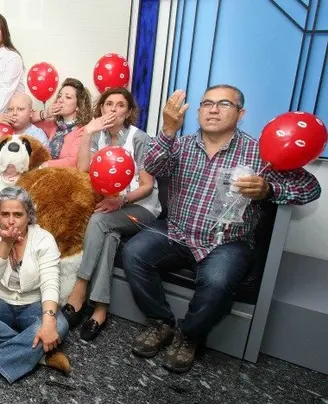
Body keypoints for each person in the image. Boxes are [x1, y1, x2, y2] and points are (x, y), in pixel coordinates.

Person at [123, 85, 321, 373]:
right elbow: (151, 165)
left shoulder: (259, 153)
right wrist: (167, 131)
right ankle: (160, 322)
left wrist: (269, 188)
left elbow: (310, 188)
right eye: (206, 103)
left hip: (227, 241)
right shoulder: (180, 145)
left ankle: (189, 335)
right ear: (198, 111)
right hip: (177, 231)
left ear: (241, 114)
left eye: (223, 104)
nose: (213, 109)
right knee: (134, 253)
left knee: (218, 280)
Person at [63, 88, 160, 341]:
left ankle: (79, 289)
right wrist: (88, 132)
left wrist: (121, 200)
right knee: (109, 236)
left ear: (128, 112)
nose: (113, 109)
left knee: (99, 220)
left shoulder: (140, 139)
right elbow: (84, 168)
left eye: (120, 105)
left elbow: (147, 185)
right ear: (101, 109)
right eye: (108, 104)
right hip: (112, 207)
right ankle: (100, 310)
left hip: (141, 208)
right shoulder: (99, 136)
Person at [0, 187, 70, 386]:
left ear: (29, 215)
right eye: (5, 214)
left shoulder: (44, 239)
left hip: (33, 303)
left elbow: (50, 281)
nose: (11, 220)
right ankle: (42, 356)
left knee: (59, 324)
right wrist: (5, 243)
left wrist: (49, 321)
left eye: (18, 214)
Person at [30, 78, 93, 168]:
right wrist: (46, 113)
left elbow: (73, 161)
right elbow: (27, 119)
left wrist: (45, 165)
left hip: (66, 177)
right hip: (46, 175)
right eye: (59, 96)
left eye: (68, 97)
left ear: (78, 106)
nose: (60, 100)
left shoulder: (82, 130)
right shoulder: (52, 124)